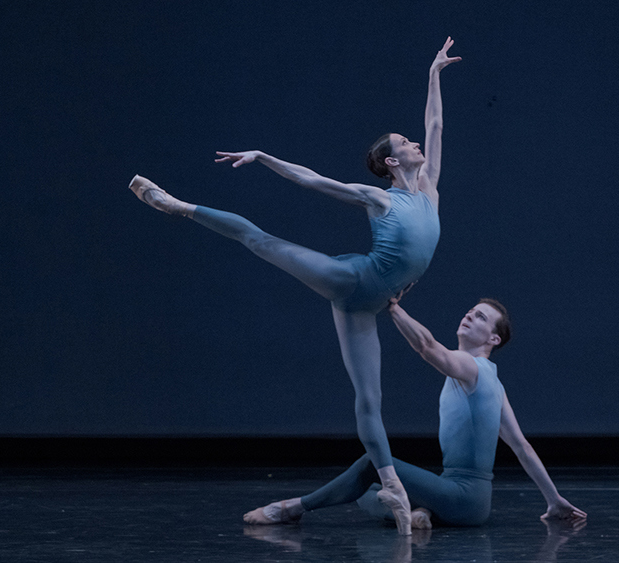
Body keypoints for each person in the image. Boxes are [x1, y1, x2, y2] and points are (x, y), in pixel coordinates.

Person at [127, 38, 461, 535]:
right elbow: (314, 181)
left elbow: (435, 125)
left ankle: (390, 482)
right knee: (259, 239)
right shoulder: (379, 197)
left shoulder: (429, 187)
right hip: (353, 280)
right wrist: (265, 156)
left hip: (368, 306)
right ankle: (179, 207)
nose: (415, 144)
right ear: (391, 162)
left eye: (413, 142)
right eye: (404, 144)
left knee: (369, 400)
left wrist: (434, 73)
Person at [243, 297, 587, 529]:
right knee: (370, 497)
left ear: (493, 339)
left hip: (462, 497)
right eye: (470, 311)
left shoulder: (471, 366)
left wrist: (392, 307)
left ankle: (291, 508)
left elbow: (427, 347)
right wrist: (553, 499)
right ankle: (425, 513)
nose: (469, 315)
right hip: (472, 504)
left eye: (480, 317)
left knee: (372, 465)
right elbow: (521, 447)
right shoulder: (495, 383)